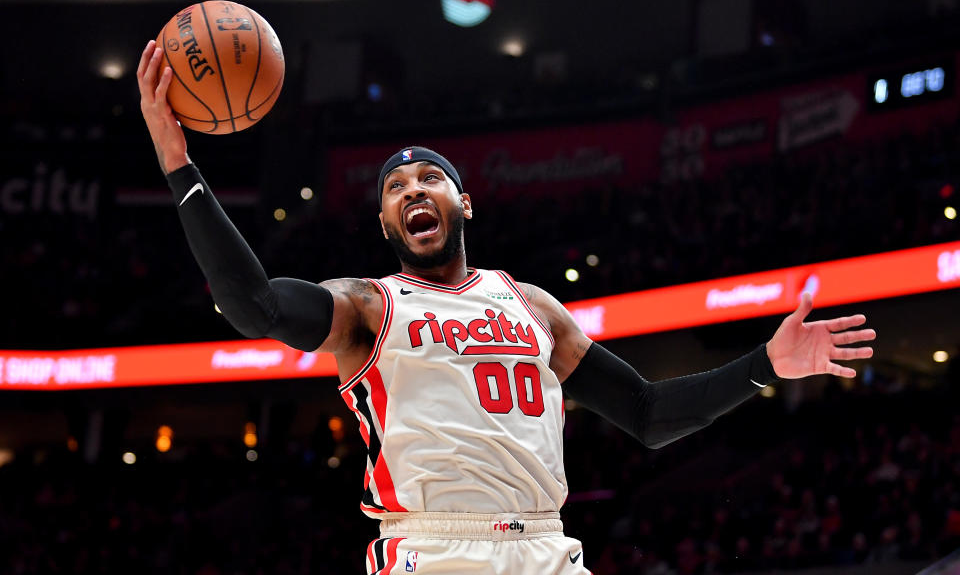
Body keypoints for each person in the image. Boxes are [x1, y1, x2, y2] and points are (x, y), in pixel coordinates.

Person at [137, 39, 876, 574]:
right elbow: (253, 305)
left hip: (548, 546)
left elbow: (647, 415)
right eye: (395, 190)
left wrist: (764, 365)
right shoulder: (366, 306)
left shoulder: (535, 307)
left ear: (464, 201)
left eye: (429, 179)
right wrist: (180, 164)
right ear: (386, 226)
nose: (412, 191)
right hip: (432, 546)